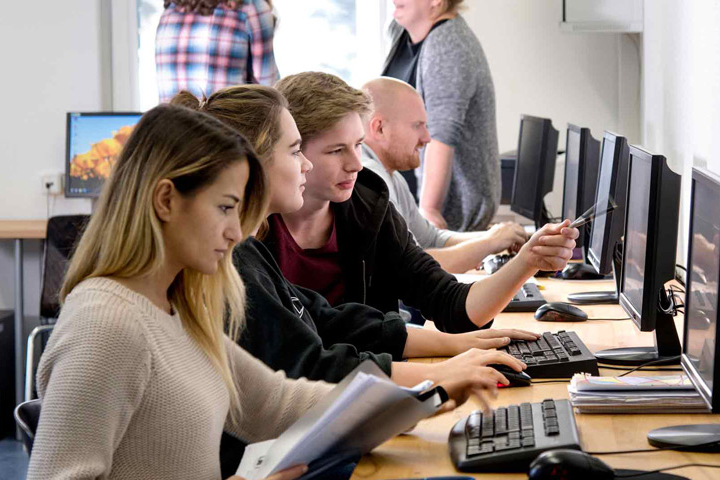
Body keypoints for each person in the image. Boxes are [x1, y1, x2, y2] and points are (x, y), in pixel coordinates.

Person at [24, 105, 501, 480]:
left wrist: (419, 398)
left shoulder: (177, 306)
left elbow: (274, 400)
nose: (237, 233)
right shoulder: (106, 323)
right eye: (225, 209)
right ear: (166, 201)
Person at [172, 85, 531, 385]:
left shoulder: (255, 249)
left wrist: (457, 347)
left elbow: (330, 321)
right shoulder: (233, 257)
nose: (357, 164)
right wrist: (437, 376)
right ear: (251, 163)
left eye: (359, 145)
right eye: (296, 151)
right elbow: (309, 366)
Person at [271, 71, 578, 333]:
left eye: (359, 145)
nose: (356, 164)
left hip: (375, 376)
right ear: (293, 152)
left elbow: (451, 304)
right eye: (337, 150)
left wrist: (527, 261)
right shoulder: (254, 232)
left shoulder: (368, 206)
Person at [362, 76, 526, 273]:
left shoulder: (391, 175)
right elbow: (409, 267)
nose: (427, 138)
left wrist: (496, 236)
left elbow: (432, 239)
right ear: (379, 128)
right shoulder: (371, 179)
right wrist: (490, 242)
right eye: (417, 125)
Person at [383, 0, 500, 232]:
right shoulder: (400, 32)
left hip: (447, 218)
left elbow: (441, 134)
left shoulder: (449, 44)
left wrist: (429, 209)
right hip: (405, 208)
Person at [155, 0, 278, 103]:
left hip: (170, 123)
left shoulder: (169, 12)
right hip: (224, 123)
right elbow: (271, 91)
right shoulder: (251, 6)